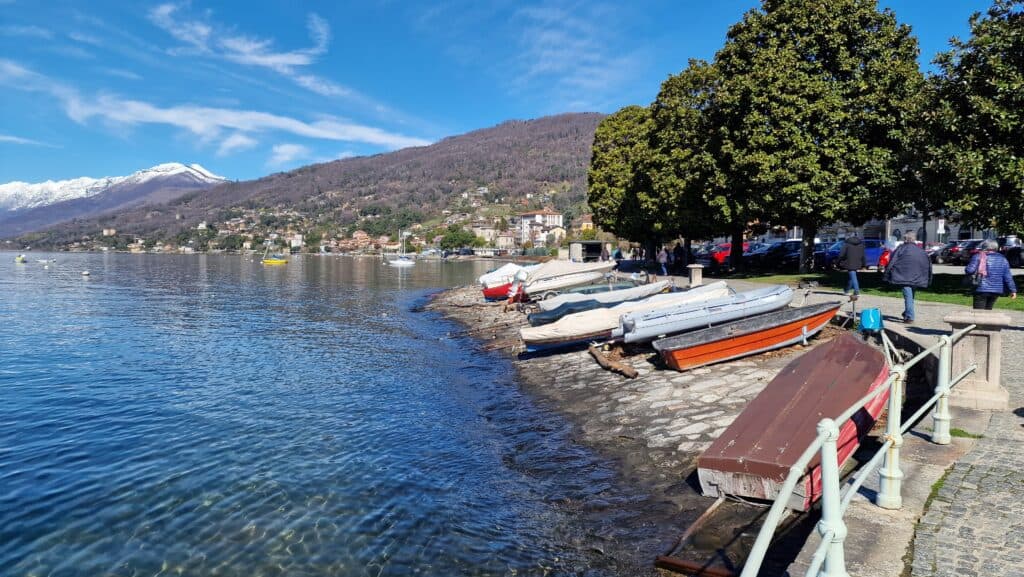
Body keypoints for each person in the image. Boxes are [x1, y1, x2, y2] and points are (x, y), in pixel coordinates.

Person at [883, 233, 932, 323]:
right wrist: (929, 278)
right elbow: (928, 265)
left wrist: (886, 274)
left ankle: (909, 316)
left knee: (908, 296)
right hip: (917, 276)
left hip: (903, 276)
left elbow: (892, 262)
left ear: (905, 240)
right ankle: (907, 313)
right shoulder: (921, 251)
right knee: (910, 296)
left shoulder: (900, 249)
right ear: (914, 239)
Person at [965, 239, 1017, 309]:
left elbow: (969, 270)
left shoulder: (978, 256)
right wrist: (1013, 290)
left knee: (979, 313)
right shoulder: (1002, 258)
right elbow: (1008, 277)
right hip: (996, 290)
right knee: (988, 310)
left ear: (984, 246)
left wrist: (968, 265)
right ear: (996, 247)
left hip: (981, 288)